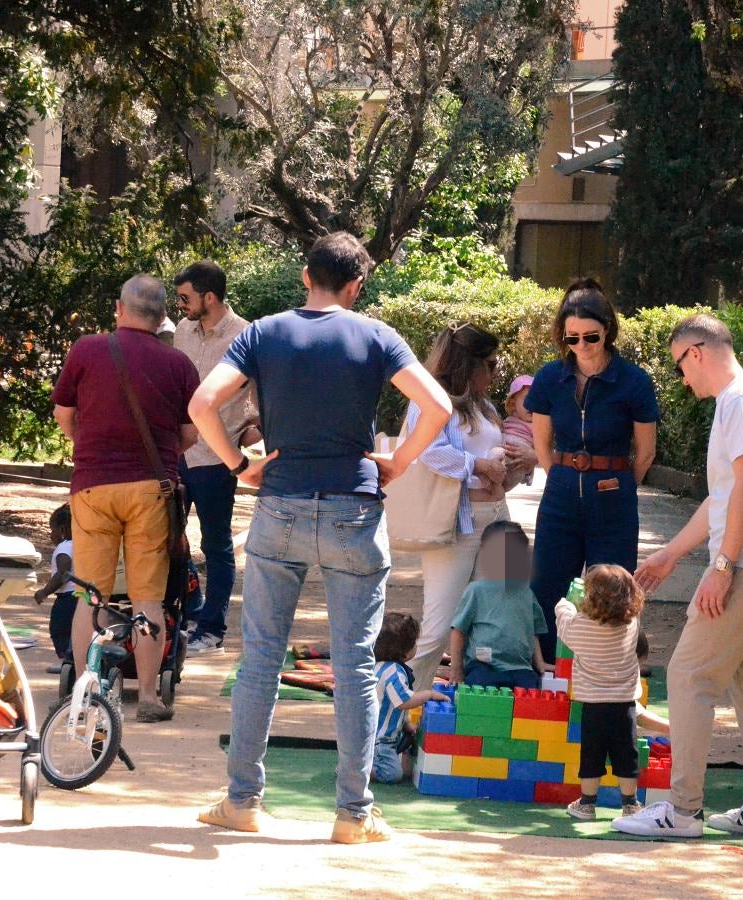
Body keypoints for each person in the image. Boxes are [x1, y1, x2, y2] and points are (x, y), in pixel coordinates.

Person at [189, 232, 452, 842]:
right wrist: (400, 462)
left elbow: (204, 402)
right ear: (357, 286)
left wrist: (238, 465)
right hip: (353, 509)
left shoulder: (263, 333)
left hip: (279, 503)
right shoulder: (377, 335)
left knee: (260, 657)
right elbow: (436, 405)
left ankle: (243, 801)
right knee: (358, 665)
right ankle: (352, 815)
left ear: (305, 275)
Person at [613, 313, 743, 840]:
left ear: (696, 351)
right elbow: (724, 496)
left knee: (690, 676)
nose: (682, 379)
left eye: (679, 367)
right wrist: (671, 555)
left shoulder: (740, 400)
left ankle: (683, 811)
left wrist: (722, 567)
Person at [51, 274, 200, 723]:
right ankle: (151, 697)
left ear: (119, 308)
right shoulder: (179, 365)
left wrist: (90, 449)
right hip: (151, 491)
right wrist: (163, 455)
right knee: (148, 600)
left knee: (90, 597)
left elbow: (64, 414)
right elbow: (190, 432)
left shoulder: (86, 350)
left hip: (92, 487)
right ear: (162, 318)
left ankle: (84, 692)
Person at [525, 279, 658, 660]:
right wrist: (563, 478)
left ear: (608, 331)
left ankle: (605, 669)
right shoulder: (551, 377)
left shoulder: (634, 381)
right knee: (548, 584)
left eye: (590, 337)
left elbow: (645, 452)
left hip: (613, 492)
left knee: (613, 588)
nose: (581, 346)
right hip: (561, 492)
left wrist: (616, 485)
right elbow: (541, 443)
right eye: (572, 339)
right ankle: (548, 669)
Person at [403, 324, 536, 687]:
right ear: (469, 365)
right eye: (491, 365)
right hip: (456, 523)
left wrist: (518, 464)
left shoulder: (485, 407)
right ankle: (399, 707)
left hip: (496, 516)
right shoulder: (431, 401)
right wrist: (479, 465)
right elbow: (428, 452)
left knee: (497, 616)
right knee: (440, 623)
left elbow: (493, 460)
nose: (496, 373)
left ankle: (474, 708)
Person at [172, 259, 258, 654]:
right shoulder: (182, 333)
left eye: (187, 298)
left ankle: (212, 629)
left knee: (216, 545)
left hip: (218, 457)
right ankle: (188, 612)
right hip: (177, 451)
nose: (182, 306)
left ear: (210, 296)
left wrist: (252, 431)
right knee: (166, 538)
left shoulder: (246, 336)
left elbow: (262, 396)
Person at [555, 563, 645, 821]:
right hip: (625, 704)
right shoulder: (631, 625)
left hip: (593, 706)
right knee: (627, 757)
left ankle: (587, 804)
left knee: (591, 756)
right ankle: (630, 804)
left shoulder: (580, 627)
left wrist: (566, 603)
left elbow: (563, 622)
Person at [448, 521, 548, 689]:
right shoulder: (476, 590)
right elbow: (458, 630)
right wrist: (456, 670)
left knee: (530, 693)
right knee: (480, 688)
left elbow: (533, 632)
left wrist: (540, 664)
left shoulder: (526, 593)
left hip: (520, 668)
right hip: (483, 665)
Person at [373, 612, 452, 784]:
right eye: (414, 643)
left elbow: (389, 705)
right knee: (392, 775)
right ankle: (362, 771)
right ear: (404, 650)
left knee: (407, 743)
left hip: (383, 735)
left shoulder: (381, 666)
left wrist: (406, 724)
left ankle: (361, 765)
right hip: (381, 740)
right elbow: (404, 701)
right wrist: (428, 694)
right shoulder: (393, 672)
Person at [33, 504, 76, 675]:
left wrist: (44, 591)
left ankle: (66, 661)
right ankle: (76, 659)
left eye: (53, 530)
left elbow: (63, 572)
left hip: (68, 597)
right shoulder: (83, 545)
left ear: (63, 529)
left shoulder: (64, 547)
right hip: (84, 595)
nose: (51, 535)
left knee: (59, 628)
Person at [501, 374, 535, 485]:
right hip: (502, 453)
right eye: (527, 399)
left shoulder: (537, 425)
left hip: (517, 461)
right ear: (513, 403)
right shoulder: (509, 420)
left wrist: (530, 470)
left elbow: (538, 451)